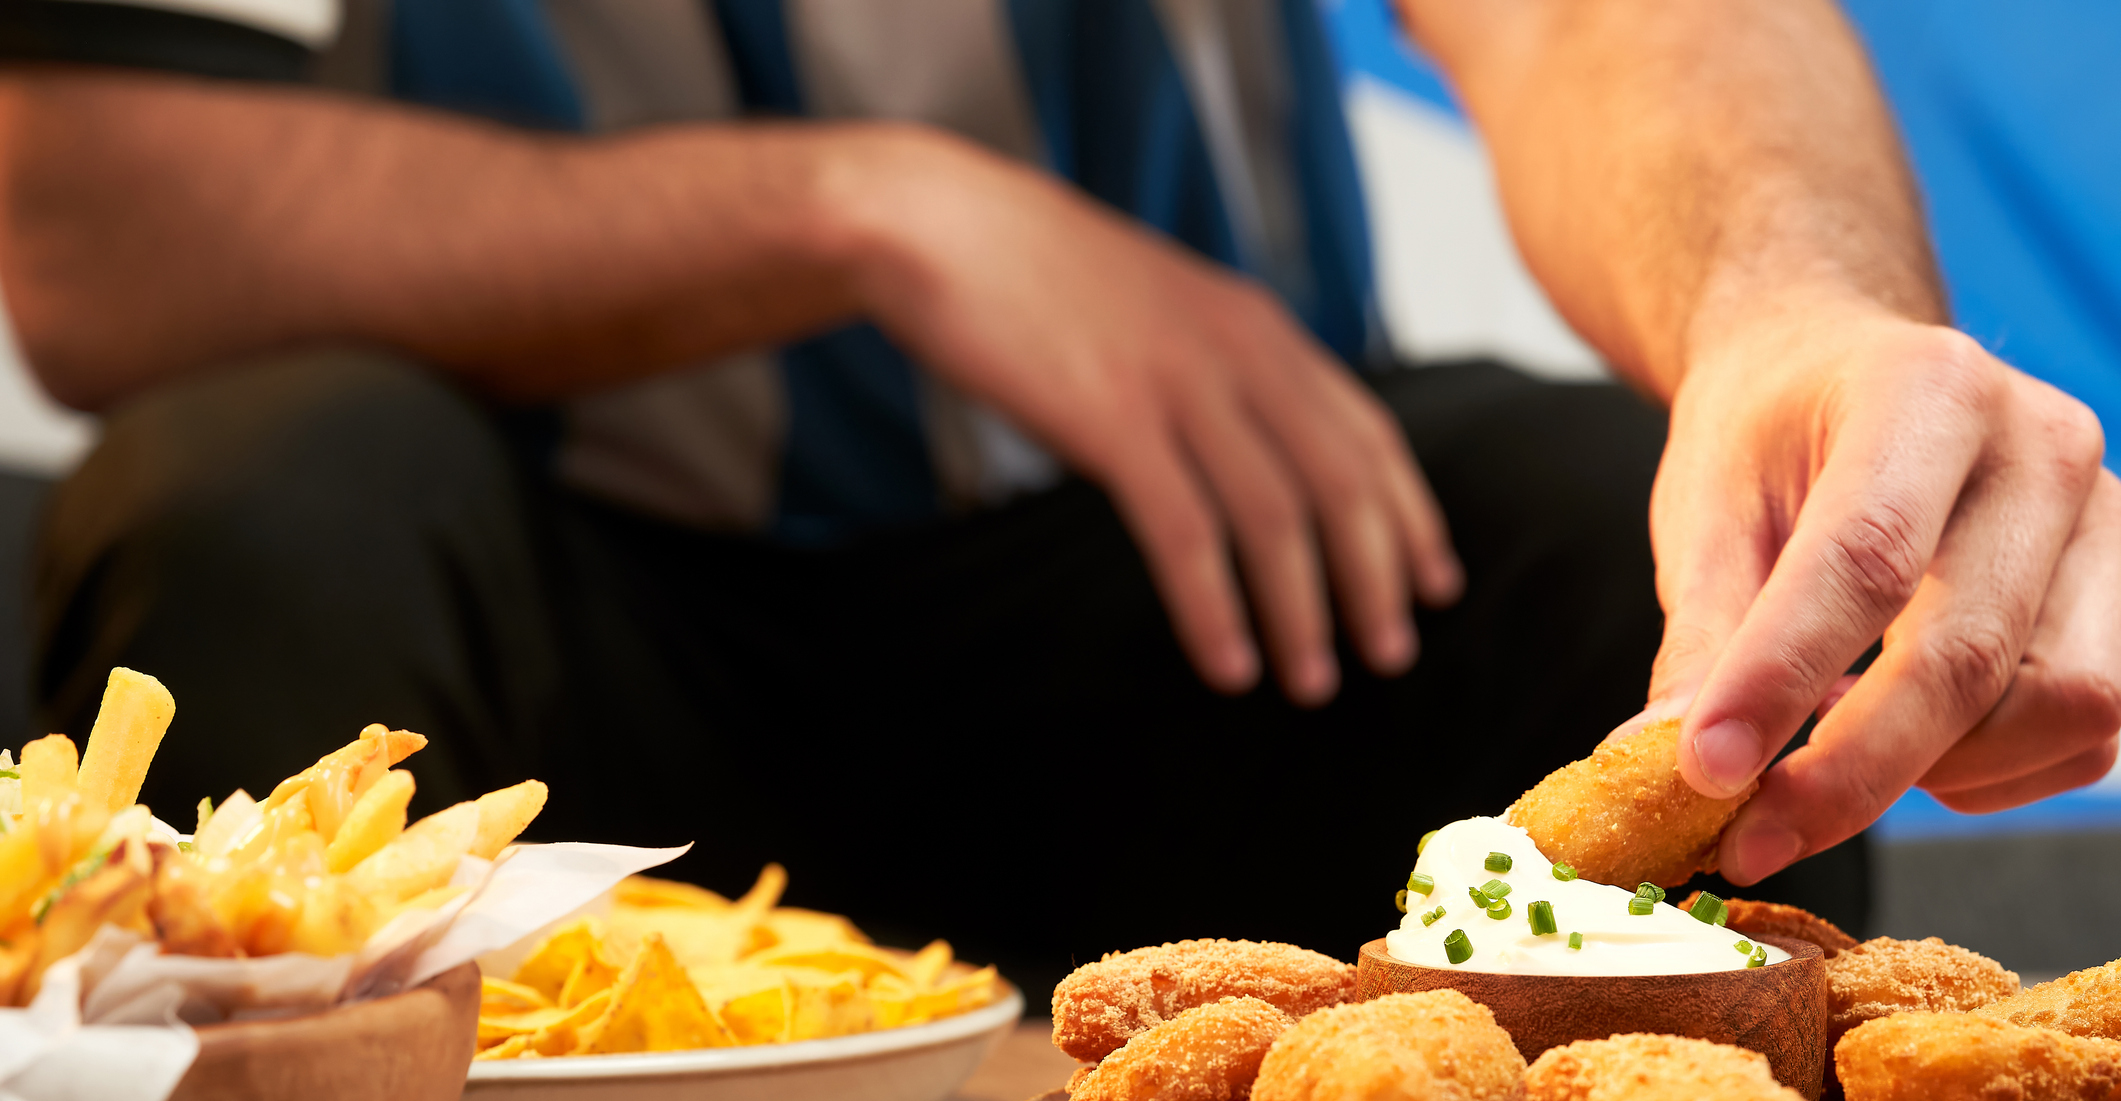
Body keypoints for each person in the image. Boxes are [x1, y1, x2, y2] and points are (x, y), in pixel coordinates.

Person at [3, 0, 2113, 1001]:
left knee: (1592, 538)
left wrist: (1783, 312)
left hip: (1218, 604)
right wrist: (866, 208)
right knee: (257, 493)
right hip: (552, 643)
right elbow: (96, 227)